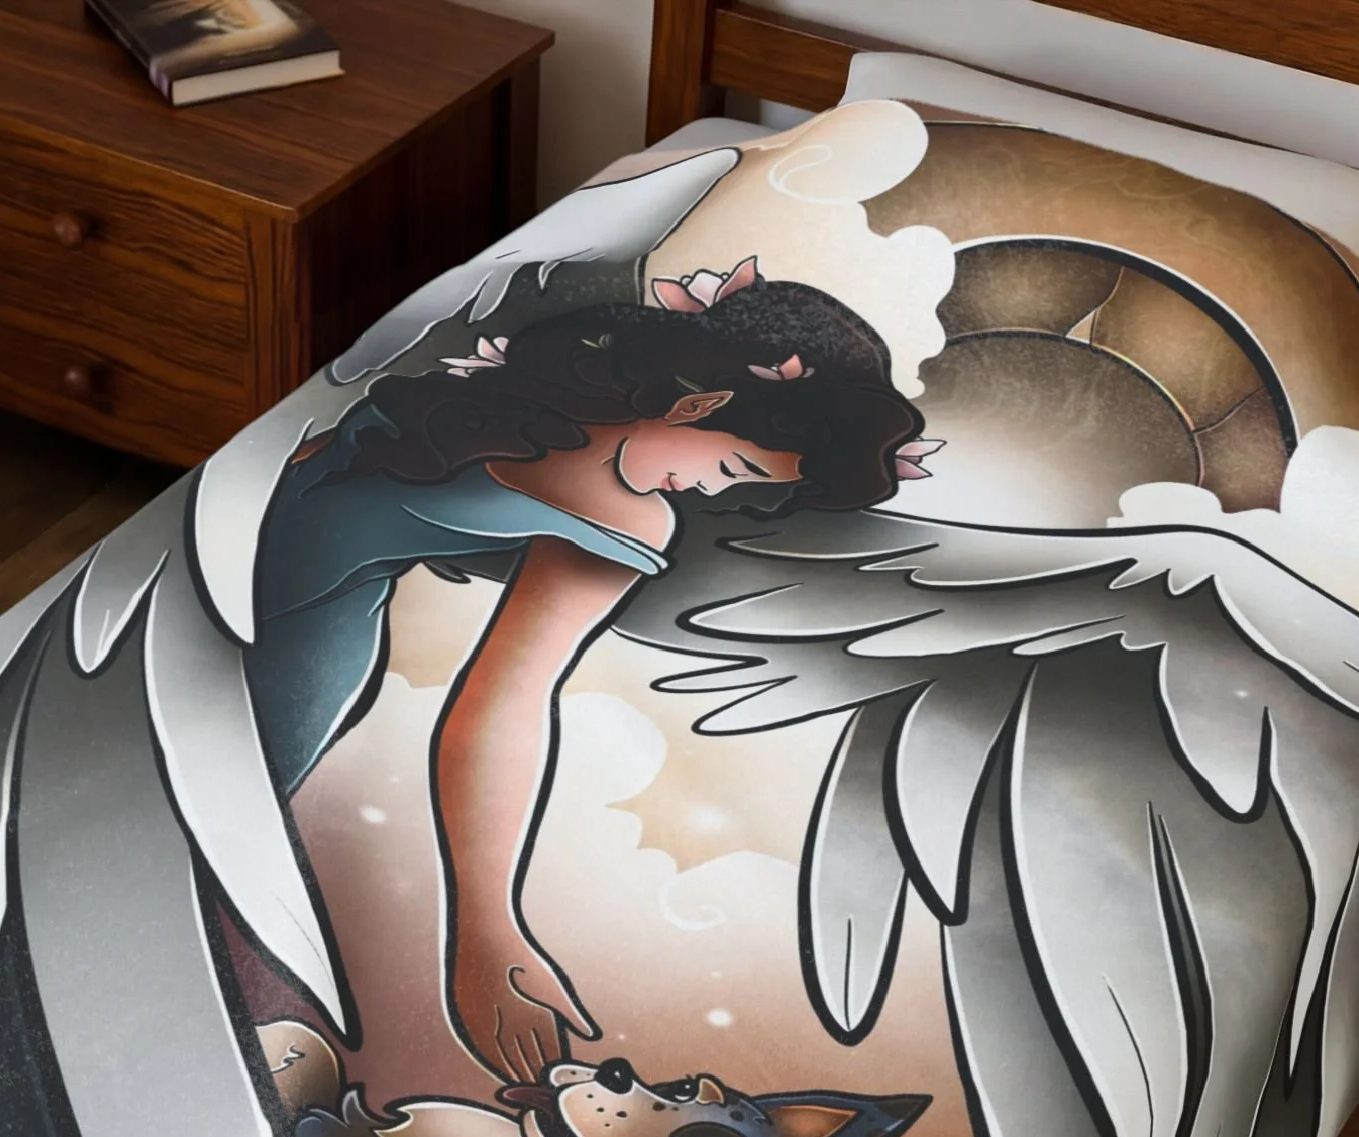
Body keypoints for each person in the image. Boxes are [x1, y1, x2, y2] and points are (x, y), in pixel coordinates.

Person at [247, 257, 938, 1083]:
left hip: (308, 648)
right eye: (735, 469)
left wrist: (487, 929)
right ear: (698, 407)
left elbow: (508, 702)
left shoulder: (625, 518)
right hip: (233, 557)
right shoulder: (506, 400)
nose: (710, 493)